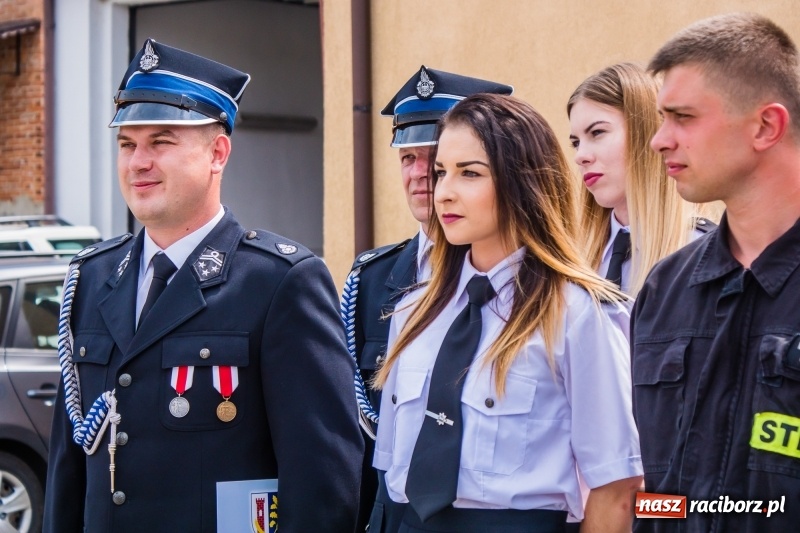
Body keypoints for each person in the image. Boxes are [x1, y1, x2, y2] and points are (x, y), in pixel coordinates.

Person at [44, 39, 363, 533]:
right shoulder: (92, 278)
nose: (137, 162)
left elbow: (322, 481)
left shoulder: (279, 283)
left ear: (218, 153)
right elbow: (68, 470)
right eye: (127, 144)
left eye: (162, 142)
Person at [372, 93, 643, 533]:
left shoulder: (578, 314)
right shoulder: (413, 310)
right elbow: (389, 474)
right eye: (442, 173)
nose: (444, 192)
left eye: (470, 173)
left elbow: (617, 486)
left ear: (522, 182)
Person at [632, 12, 800, 532]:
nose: (659, 140)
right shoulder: (663, 290)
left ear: (766, 126)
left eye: (682, 117)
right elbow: (653, 495)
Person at [342, 66, 512, 533]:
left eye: (434, 160)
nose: (420, 175)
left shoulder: (529, 283)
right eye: (406, 158)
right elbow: (357, 427)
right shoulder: (372, 277)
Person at [567, 62, 716, 296]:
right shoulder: (573, 263)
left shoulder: (707, 255)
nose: (580, 156)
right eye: (576, 142)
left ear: (649, 134)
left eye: (597, 133)